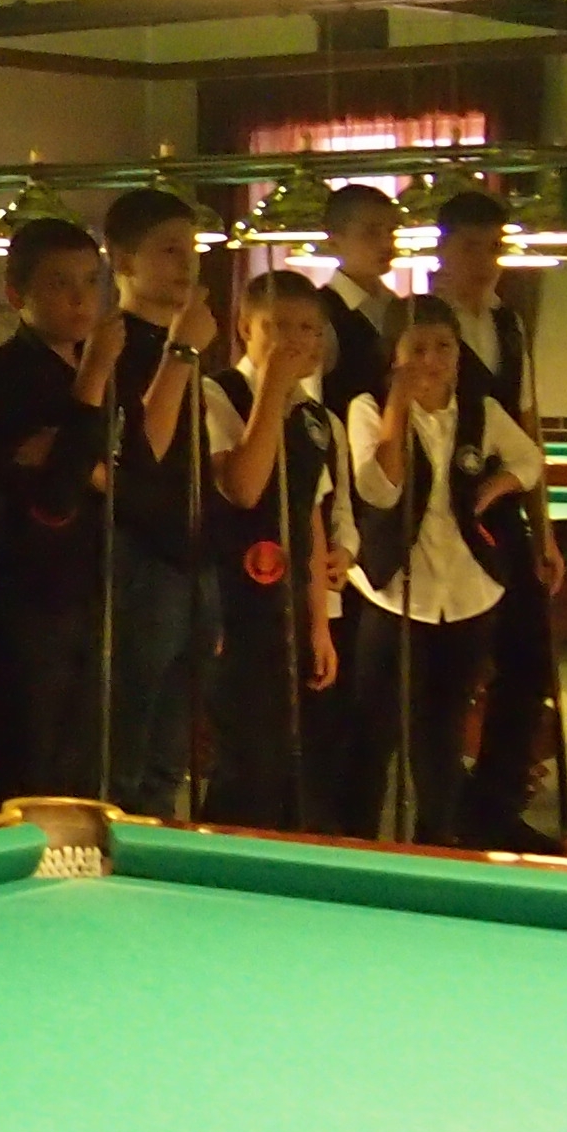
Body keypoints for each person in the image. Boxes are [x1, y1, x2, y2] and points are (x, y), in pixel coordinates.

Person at [345, 296, 552, 845]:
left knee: (442, 733)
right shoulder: (367, 407)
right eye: (418, 349)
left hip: (466, 590)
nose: (432, 360)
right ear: (393, 354)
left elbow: (529, 458)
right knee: (373, 731)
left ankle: (437, 842)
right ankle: (358, 844)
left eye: (443, 347)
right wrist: (398, 403)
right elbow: (379, 488)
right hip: (393, 589)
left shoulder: (479, 410)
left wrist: (498, 485)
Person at [0, 217, 111, 809]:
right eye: (59, 283)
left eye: (91, 281)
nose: (80, 298)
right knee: (22, 770)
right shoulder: (0, 373)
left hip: (89, 586)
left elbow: (123, 476)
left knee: (79, 770)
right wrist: (83, 437)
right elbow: (54, 496)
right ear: (17, 294)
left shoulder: (93, 368)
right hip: (22, 589)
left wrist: (74, 449)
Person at [200, 272, 354, 832]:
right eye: (279, 327)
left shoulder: (317, 418)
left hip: (290, 607)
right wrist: (271, 391)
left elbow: (310, 519)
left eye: (309, 329)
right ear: (245, 328)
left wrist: (320, 625)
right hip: (231, 604)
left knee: (295, 765)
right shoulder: (217, 393)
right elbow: (242, 486)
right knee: (247, 762)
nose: (296, 341)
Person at [424, 189, 554, 848]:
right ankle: (443, 808)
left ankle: (495, 802)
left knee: (528, 660)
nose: (484, 261)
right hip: (436, 520)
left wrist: (545, 530)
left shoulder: (509, 324)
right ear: (442, 251)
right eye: (470, 247)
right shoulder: (420, 321)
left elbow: (527, 427)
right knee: (451, 673)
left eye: (493, 248)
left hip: (503, 513)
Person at [97, 187, 222, 821]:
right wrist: (181, 352)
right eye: (169, 249)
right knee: (127, 750)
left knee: (171, 755)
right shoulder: (111, 345)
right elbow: (139, 452)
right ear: (123, 260)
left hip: (194, 554)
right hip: (140, 559)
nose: (187, 263)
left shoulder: (184, 341)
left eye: (191, 249)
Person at [312, 184, 404, 413]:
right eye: (371, 232)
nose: (386, 244)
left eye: (391, 232)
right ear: (334, 241)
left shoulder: (400, 307)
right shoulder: (320, 314)